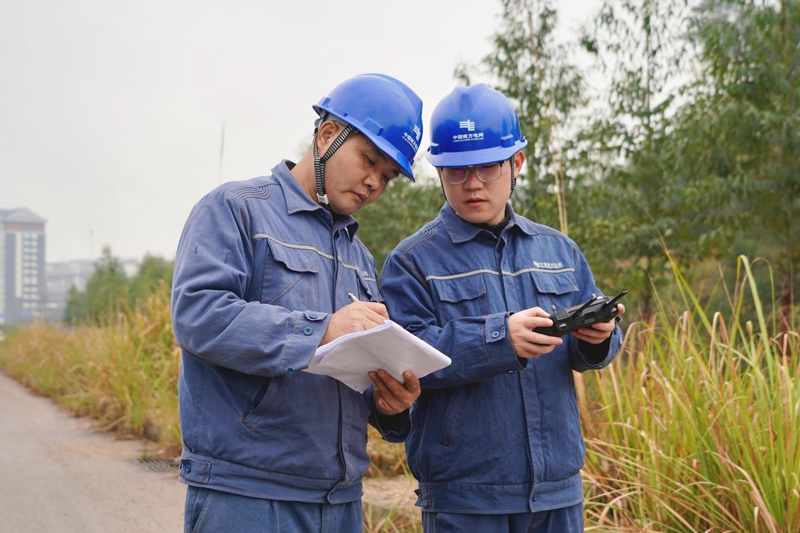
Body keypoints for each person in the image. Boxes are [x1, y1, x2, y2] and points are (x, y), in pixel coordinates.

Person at [171, 73, 424, 533]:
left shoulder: (360, 258)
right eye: (369, 160)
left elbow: (350, 372)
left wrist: (388, 403)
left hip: (340, 500)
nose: (373, 184)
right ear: (328, 134)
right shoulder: (236, 209)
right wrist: (321, 329)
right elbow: (197, 315)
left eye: (387, 176)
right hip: (247, 495)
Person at [380, 84, 625, 533]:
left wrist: (600, 338)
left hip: (558, 492)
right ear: (438, 170)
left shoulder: (558, 249)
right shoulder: (412, 261)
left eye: (488, 167)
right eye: (456, 170)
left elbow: (590, 354)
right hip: (466, 500)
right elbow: (403, 360)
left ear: (517, 165)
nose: (472, 184)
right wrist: (497, 338)